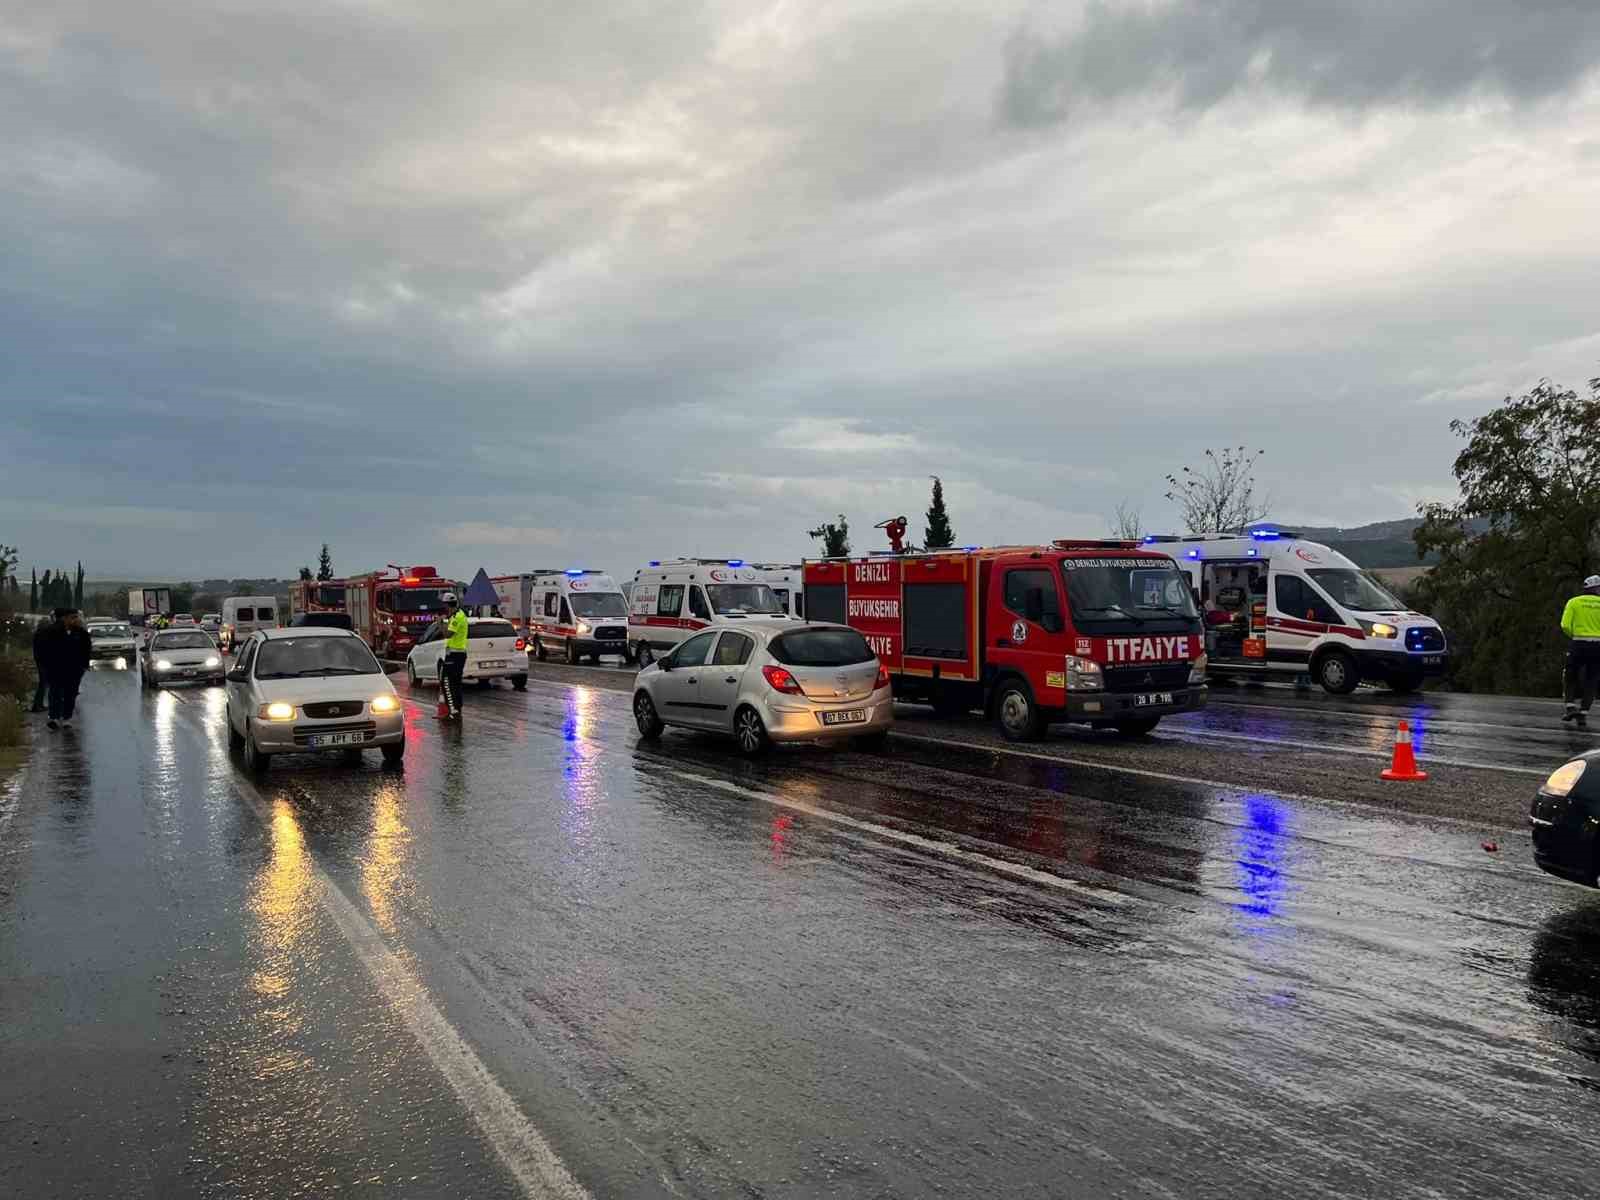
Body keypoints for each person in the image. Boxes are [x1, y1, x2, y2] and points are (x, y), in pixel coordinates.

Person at [42, 608, 91, 729]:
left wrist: (84, 665)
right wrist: (45, 666)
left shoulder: (81, 633)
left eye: (76, 617)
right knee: (55, 692)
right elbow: (44, 649)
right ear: (65, 618)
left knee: (70, 694)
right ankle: (53, 717)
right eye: (73, 617)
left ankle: (67, 718)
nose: (76, 619)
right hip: (56, 668)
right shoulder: (52, 631)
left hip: (74, 669)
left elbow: (87, 649)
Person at [1562, 574, 1600, 728]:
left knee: (1570, 675)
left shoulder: (1574, 602)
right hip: (1598, 645)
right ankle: (1583, 714)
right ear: (1597, 588)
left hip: (1578, 643)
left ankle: (1570, 707)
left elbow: (1564, 625)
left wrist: (1575, 635)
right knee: (1592, 678)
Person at [440, 592, 468, 721]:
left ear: (447, 605)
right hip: (458, 653)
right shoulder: (458, 615)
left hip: (455, 654)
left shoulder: (457, 617)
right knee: (456, 684)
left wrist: (440, 623)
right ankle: (456, 710)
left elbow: (447, 634)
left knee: (446, 682)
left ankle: (453, 712)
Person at [30, 610, 57, 712]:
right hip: (43, 660)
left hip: (41, 659)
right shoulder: (42, 633)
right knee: (43, 683)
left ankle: (39, 704)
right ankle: (37, 706)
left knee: (44, 683)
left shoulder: (40, 632)